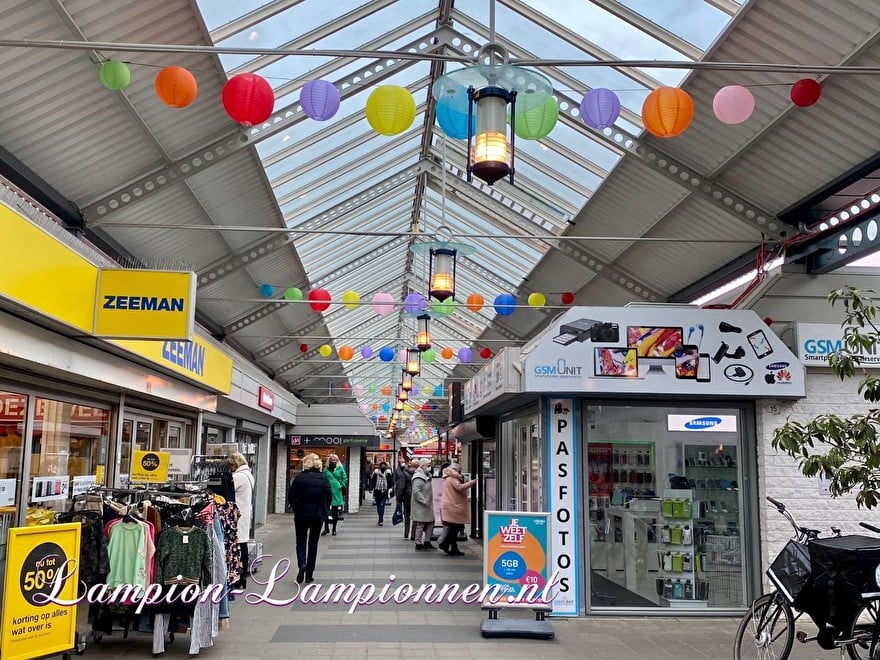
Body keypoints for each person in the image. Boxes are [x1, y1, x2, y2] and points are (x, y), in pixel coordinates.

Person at [287, 453, 332, 584]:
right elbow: (328, 496)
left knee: (300, 542)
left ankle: (302, 564)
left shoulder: (299, 478)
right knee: (313, 544)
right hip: (317, 516)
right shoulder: (323, 478)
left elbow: (291, 496)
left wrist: (297, 509)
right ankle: (309, 574)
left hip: (301, 514)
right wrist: (324, 509)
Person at [229, 452, 255, 587]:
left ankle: (240, 577)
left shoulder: (239, 476)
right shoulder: (248, 474)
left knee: (239, 546)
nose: (230, 467)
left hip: (238, 514)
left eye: (231, 465)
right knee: (242, 544)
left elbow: (228, 490)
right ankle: (242, 576)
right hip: (244, 512)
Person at [438, 464, 476, 556]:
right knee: (454, 528)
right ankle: (445, 543)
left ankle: (450, 546)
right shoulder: (452, 479)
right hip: (453, 506)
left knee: (453, 527)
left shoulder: (448, 478)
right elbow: (459, 487)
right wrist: (472, 482)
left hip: (451, 505)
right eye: (459, 470)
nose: (460, 472)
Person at [410, 458, 436, 551]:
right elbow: (416, 491)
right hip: (421, 505)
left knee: (430, 522)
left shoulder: (427, 475)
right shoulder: (418, 477)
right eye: (428, 465)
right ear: (422, 466)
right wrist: (423, 500)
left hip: (427, 504)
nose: (429, 467)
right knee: (420, 524)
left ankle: (427, 541)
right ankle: (418, 542)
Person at [323, 454, 347, 536]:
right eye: (331, 460)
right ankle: (326, 528)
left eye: (334, 460)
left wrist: (341, 485)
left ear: (337, 461)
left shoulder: (340, 468)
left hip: (337, 491)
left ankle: (334, 528)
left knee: (335, 511)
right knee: (326, 510)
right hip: (327, 492)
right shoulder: (326, 469)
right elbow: (323, 478)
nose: (332, 461)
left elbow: (344, 478)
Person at [394, 459, 415, 538]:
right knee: (415, 516)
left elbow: (401, 486)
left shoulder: (405, 473)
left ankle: (406, 533)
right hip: (416, 497)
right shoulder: (419, 473)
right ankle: (413, 534)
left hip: (407, 496)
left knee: (407, 515)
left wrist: (398, 497)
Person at [369, 461, 394, 525]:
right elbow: (373, 481)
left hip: (384, 492)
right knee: (378, 506)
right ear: (380, 466)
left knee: (382, 505)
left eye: (384, 466)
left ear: (385, 467)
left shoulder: (388, 473)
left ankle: (381, 519)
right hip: (377, 491)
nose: (383, 467)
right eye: (382, 466)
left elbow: (391, 482)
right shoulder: (376, 473)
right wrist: (371, 488)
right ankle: (380, 518)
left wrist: (387, 487)